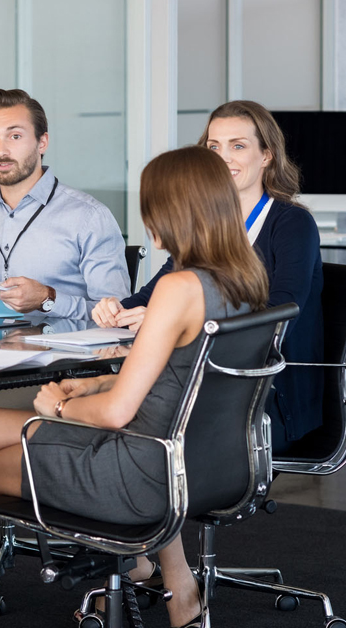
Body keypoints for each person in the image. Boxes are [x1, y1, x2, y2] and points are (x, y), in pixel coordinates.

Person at [0, 146, 269, 628]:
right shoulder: (246, 280)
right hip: (196, 467)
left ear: (175, 210)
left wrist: (59, 405)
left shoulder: (179, 287)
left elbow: (118, 412)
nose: (148, 223)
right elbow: (173, 378)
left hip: (132, 473)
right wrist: (93, 384)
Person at [94, 100, 324, 454]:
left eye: (238, 146)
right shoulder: (208, 227)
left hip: (269, 396)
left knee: (116, 425)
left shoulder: (292, 223)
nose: (223, 157)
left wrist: (167, 323)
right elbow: (152, 295)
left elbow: (280, 319)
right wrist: (115, 309)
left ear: (267, 156)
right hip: (204, 385)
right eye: (214, 147)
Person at [0, 88, 130, 319]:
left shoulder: (88, 217)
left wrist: (48, 299)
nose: (0, 151)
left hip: (63, 354)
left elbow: (119, 315)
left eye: (15, 136)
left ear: (42, 142)